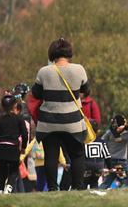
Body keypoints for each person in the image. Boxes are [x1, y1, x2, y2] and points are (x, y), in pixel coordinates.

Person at [31, 37, 90, 190]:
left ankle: (52, 188)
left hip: (49, 121)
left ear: (52, 53)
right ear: (69, 52)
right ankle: (78, 187)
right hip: (72, 121)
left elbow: (36, 94)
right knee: (77, 154)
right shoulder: (79, 69)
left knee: (51, 156)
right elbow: (86, 91)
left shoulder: (44, 72)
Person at [0, 94, 29, 193]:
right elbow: (25, 135)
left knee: (2, 171)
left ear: (2, 107)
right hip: (13, 148)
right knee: (13, 171)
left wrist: (0, 140)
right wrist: (23, 147)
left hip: (1, 148)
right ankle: (8, 189)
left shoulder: (0, 119)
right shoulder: (19, 119)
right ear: (14, 106)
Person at [100, 114, 128, 189]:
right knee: (125, 182)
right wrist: (126, 126)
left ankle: (99, 190)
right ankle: (123, 196)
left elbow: (102, 141)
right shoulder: (126, 134)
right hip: (120, 162)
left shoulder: (109, 133)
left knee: (107, 181)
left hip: (110, 162)